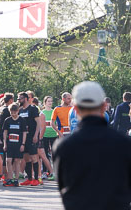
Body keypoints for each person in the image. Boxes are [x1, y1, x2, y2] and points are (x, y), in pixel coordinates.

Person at [53, 81, 131, 210]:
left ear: (76, 108)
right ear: (103, 106)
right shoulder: (123, 143)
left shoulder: (63, 146)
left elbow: (64, 187)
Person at [18, 92, 40, 186]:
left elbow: (38, 123)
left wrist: (36, 135)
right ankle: (29, 178)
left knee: (34, 157)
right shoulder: (20, 110)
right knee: (26, 158)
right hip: (24, 137)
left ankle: (36, 179)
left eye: (20, 98)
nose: (19, 100)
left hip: (31, 136)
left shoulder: (33, 109)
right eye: (18, 99)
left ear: (26, 99)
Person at [2, 103, 27, 187]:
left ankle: (16, 179)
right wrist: (5, 144)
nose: (13, 114)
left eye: (15, 112)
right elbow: (5, 132)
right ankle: (9, 178)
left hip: (18, 143)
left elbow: (24, 133)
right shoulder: (7, 120)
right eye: (11, 112)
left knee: (17, 161)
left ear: (18, 111)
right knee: (8, 160)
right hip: (9, 143)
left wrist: (23, 144)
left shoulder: (22, 120)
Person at [40, 96, 57, 181]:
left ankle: (54, 171)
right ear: (45, 103)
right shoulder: (42, 112)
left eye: (51, 101)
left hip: (54, 135)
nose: (50, 103)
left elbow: (56, 123)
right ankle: (45, 172)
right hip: (45, 135)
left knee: (54, 153)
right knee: (45, 154)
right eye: (48, 101)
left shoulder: (54, 111)